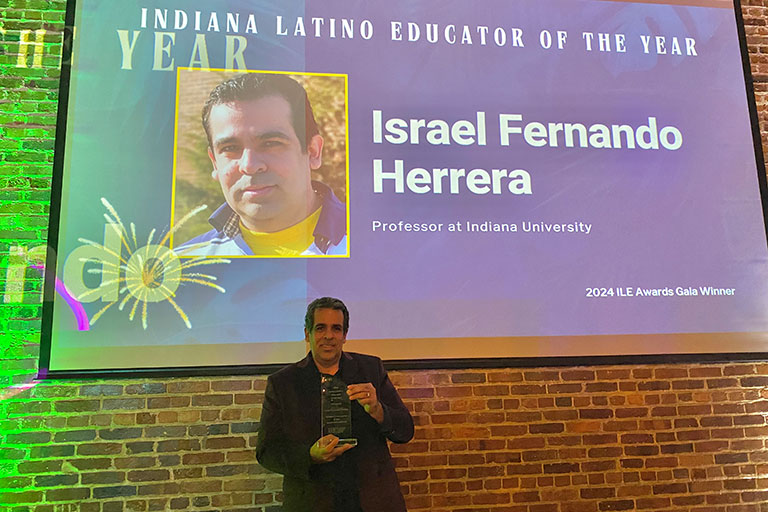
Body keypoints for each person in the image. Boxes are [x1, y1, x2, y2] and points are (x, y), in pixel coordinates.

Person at [256, 297, 414, 512]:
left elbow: (405, 431)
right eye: (320, 328)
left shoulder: (371, 369)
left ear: (345, 335)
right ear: (307, 333)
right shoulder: (283, 383)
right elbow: (267, 451)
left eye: (336, 329)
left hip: (372, 498)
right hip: (313, 499)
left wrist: (378, 410)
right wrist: (310, 456)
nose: (328, 336)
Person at [181, 73, 347, 256]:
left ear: (313, 152)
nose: (249, 165)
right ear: (215, 163)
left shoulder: (376, 245)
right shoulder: (184, 267)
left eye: (271, 143)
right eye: (230, 148)